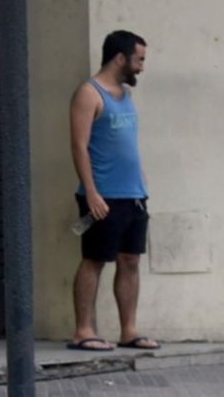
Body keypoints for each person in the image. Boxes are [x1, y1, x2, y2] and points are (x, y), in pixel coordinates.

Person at [67, 30, 160, 352]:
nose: (142, 67)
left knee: (130, 260)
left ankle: (129, 330)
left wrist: (141, 182)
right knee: (94, 260)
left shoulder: (125, 94)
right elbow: (79, 147)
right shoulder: (89, 93)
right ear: (120, 58)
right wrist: (92, 193)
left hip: (133, 195)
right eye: (139, 60)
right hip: (102, 196)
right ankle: (83, 331)